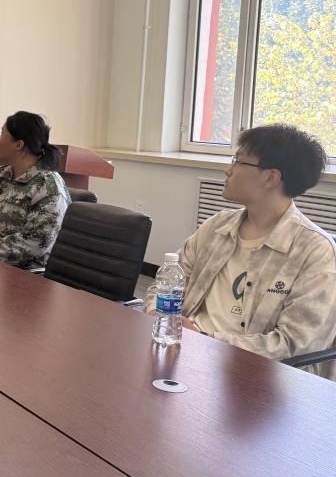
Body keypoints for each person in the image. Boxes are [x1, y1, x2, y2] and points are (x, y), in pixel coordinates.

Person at [144, 124, 336, 378]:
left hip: (251, 378)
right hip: (183, 353)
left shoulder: (315, 252)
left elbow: (295, 345)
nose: (228, 170)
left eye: (238, 161)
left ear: (271, 178)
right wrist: (156, 314)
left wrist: (204, 338)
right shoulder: (218, 226)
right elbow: (166, 282)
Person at [0, 111, 69, 269]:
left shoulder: (49, 186)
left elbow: (34, 243)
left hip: (21, 274)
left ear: (18, 145)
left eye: (2, 134)